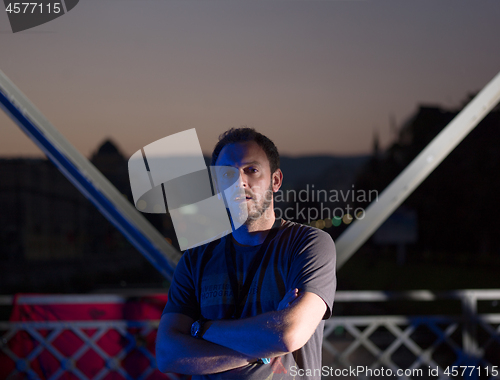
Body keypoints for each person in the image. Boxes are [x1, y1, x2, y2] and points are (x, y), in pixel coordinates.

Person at [156, 128, 336, 379]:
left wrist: (201, 328)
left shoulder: (308, 244)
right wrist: (263, 345)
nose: (239, 182)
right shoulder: (196, 260)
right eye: (227, 173)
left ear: (275, 181)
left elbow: (288, 334)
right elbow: (167, 354)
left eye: (251, 170)